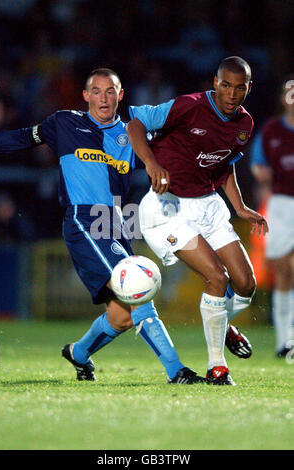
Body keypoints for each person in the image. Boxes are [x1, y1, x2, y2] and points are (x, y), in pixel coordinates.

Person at [0, 67, 206, 385]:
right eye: (96, 91)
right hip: (83, 219)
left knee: (121, 315)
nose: (103, 98)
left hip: (118, 220)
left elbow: (172, 159)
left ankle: (79, 354)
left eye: (110, 91)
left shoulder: (132, 136)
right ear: (85, 96)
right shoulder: (64, 122)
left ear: (121, 96)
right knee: (137, 292)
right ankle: (177, 371)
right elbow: (23, 138)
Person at [126, 56, 269, 386]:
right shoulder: (187, 106)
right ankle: (217, 367)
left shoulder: (244, 124)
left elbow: (225, 164)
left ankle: (222, 325)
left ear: (249, 88)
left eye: (240, 87)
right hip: (168, 208)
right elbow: (135, 124)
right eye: (226, 85)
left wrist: (240, 206)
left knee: (246, 285)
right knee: (217, 278)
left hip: (209, 206)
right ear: (215, 82)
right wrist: (150, 163)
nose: (232, 94)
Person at [250, 76, 294, 357]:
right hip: (280, 203)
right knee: (283, 270)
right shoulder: (271, 130)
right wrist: (261, 175)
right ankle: (283, 341)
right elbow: (258, 164)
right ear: (282, 97)